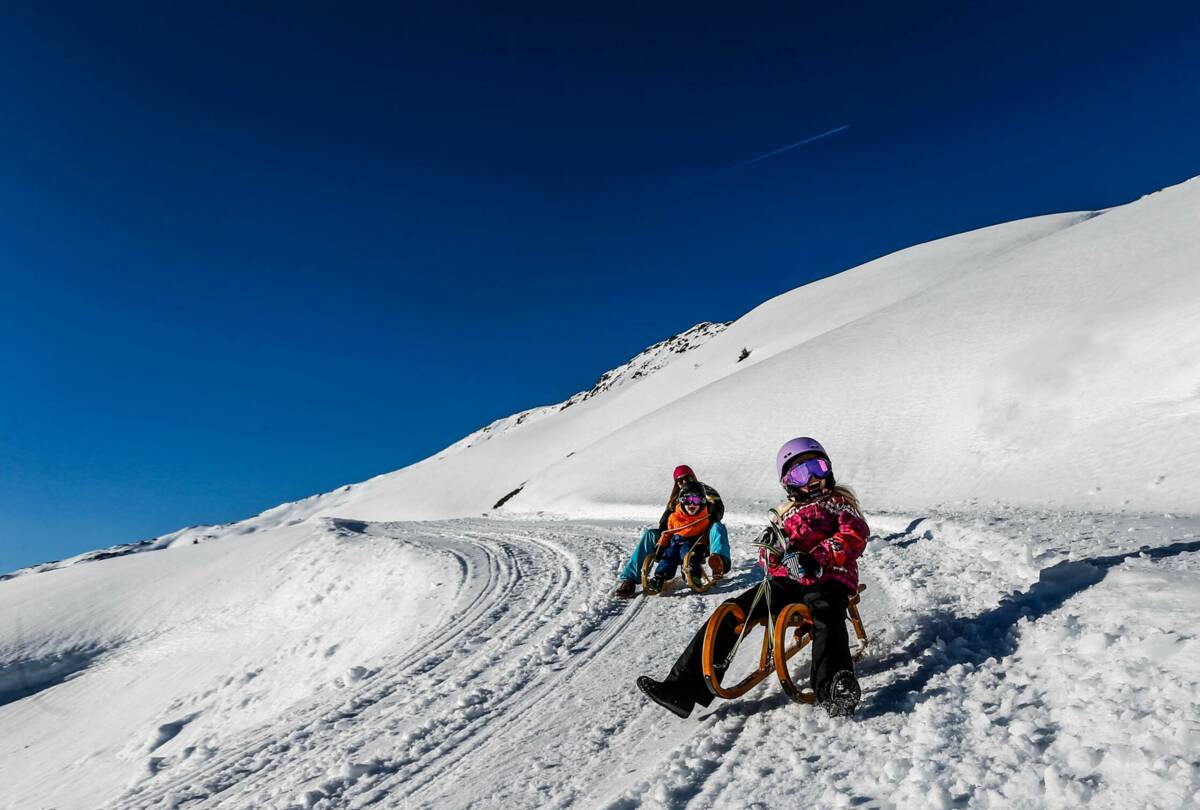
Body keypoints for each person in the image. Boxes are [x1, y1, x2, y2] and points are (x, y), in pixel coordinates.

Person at [636, 438, 869, 718]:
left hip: (829, 578)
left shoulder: (838, 503)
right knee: (732, 612)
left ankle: (833, 688)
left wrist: (816, 558)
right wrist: (773, 550)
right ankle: (682, 689)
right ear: (787, 482)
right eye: (800, 473)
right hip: (788, 582)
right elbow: (767, 559)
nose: (812, 479)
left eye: (817, 467)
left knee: (826, 613)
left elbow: (853, 536)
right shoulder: (784, 516)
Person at [611, 465, 730, 598]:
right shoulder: (675, 499)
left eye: (687, 478)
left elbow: (718, 509)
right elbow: (664, 523)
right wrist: (663, 541)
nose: (684, 482)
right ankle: (630, 580)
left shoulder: (704, 491)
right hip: (677, 536)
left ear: (693, 476)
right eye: (679, 480)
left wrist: (711, 515)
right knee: (651, 534)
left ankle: (718, 562)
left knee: (717, 527)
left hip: (701, 536)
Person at [646, 482, 712, 593]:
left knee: (688, 554)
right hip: (675, 542)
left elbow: (705, 535)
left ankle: (694, 575)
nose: (692, 504)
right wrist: (660, 546)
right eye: (687, 500)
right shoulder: (674, 517)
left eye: (696, 500)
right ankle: (660, 577)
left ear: (702, 501)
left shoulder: (704, 518)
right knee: (669, 554)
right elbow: (667, 533)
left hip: (692, 544)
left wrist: (703, 547)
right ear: (681, 501)